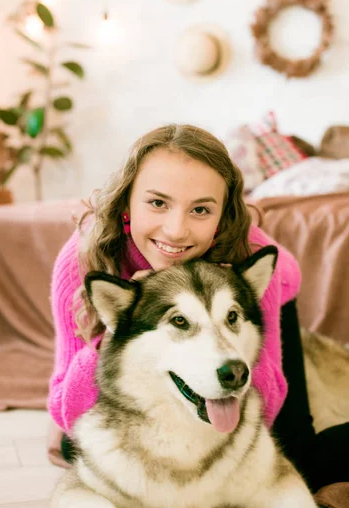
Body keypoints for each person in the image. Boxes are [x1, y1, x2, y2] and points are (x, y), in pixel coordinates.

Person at [47, 123, 348, 494]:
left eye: (201, 210)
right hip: (131, 330)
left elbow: (266, 401)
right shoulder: (81, 259)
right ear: (127, 201)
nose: (175, 231)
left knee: (298, 458)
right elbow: (68, 409)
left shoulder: (251, 260)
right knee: (76, 442)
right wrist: (123, 322)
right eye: (158, 203)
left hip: (266, 294)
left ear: (223, 216)